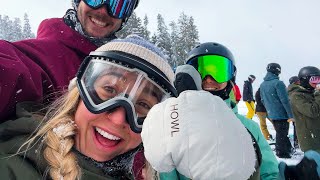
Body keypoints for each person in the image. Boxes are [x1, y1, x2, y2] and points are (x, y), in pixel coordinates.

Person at [0, 35, 177, 179]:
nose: (117, 119)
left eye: (143, 105)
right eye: (108, 90)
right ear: (78, 95)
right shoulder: (13, 165)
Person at [0, 0, 139, 121]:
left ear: (125, 16)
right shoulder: (43, 54)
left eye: (118, 5)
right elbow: (12, 68)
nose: (103, 11)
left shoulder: (126, 72)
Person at [181, 42, 279, 179]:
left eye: (218, 72)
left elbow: (269, 173)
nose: (209, 79)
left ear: (231, 77)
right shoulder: (175, 126)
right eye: (201, 72)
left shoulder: (249, 128)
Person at [260, 63, 294, 158]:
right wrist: (291, 115)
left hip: (272, 113)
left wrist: (271, 109)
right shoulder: (278, 83)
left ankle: (287, 149)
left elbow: (263, 100)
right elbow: (285, 100)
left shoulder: (262, 84)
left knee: (280, 132)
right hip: (282, 114)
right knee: (282, 134)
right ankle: (282, 153)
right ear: (278, 70)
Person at [288, 66, 320, 153]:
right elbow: (313, 111)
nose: (317, 82)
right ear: (305, 79)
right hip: (311, 140)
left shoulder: (311, 92)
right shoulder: (296, 96)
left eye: (319, 79)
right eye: (314, 79)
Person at [288, 75, 300, 148]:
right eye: (298, 81)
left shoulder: (289, 90)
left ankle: (296, 142)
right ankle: (297, 142)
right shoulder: (296, 90)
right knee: (298, 128)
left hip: (293, 112)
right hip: (297, 112)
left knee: (296, 127)